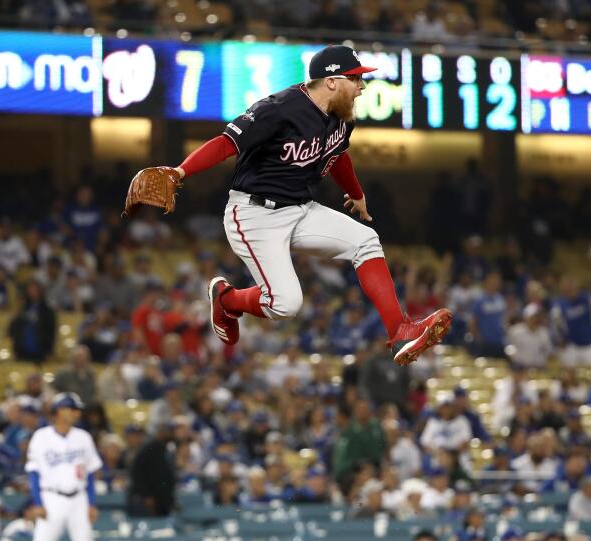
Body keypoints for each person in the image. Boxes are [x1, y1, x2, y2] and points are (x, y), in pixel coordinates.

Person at [136, 44, 451, 366]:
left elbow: (338, 154)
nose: (362, 86)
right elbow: (226, 143)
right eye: (355, 79)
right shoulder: (279, 109)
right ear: (331, 81)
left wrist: (356, 193)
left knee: (366, 241)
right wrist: (180, 171)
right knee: (286, 304)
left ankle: (400, 330)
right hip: (254, 213)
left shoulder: (342, 116)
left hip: (299, 208)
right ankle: (227, 300)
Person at [25, 392, 102, 541]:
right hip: (52, 498)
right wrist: (38, 503)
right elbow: (33, 473)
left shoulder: (83, 437)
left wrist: (91, 503)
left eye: (77, 409)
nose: (77, 413)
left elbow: (89, 473)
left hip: (79, 499)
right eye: (72, 408)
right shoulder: (41, 437)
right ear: (58, 411)